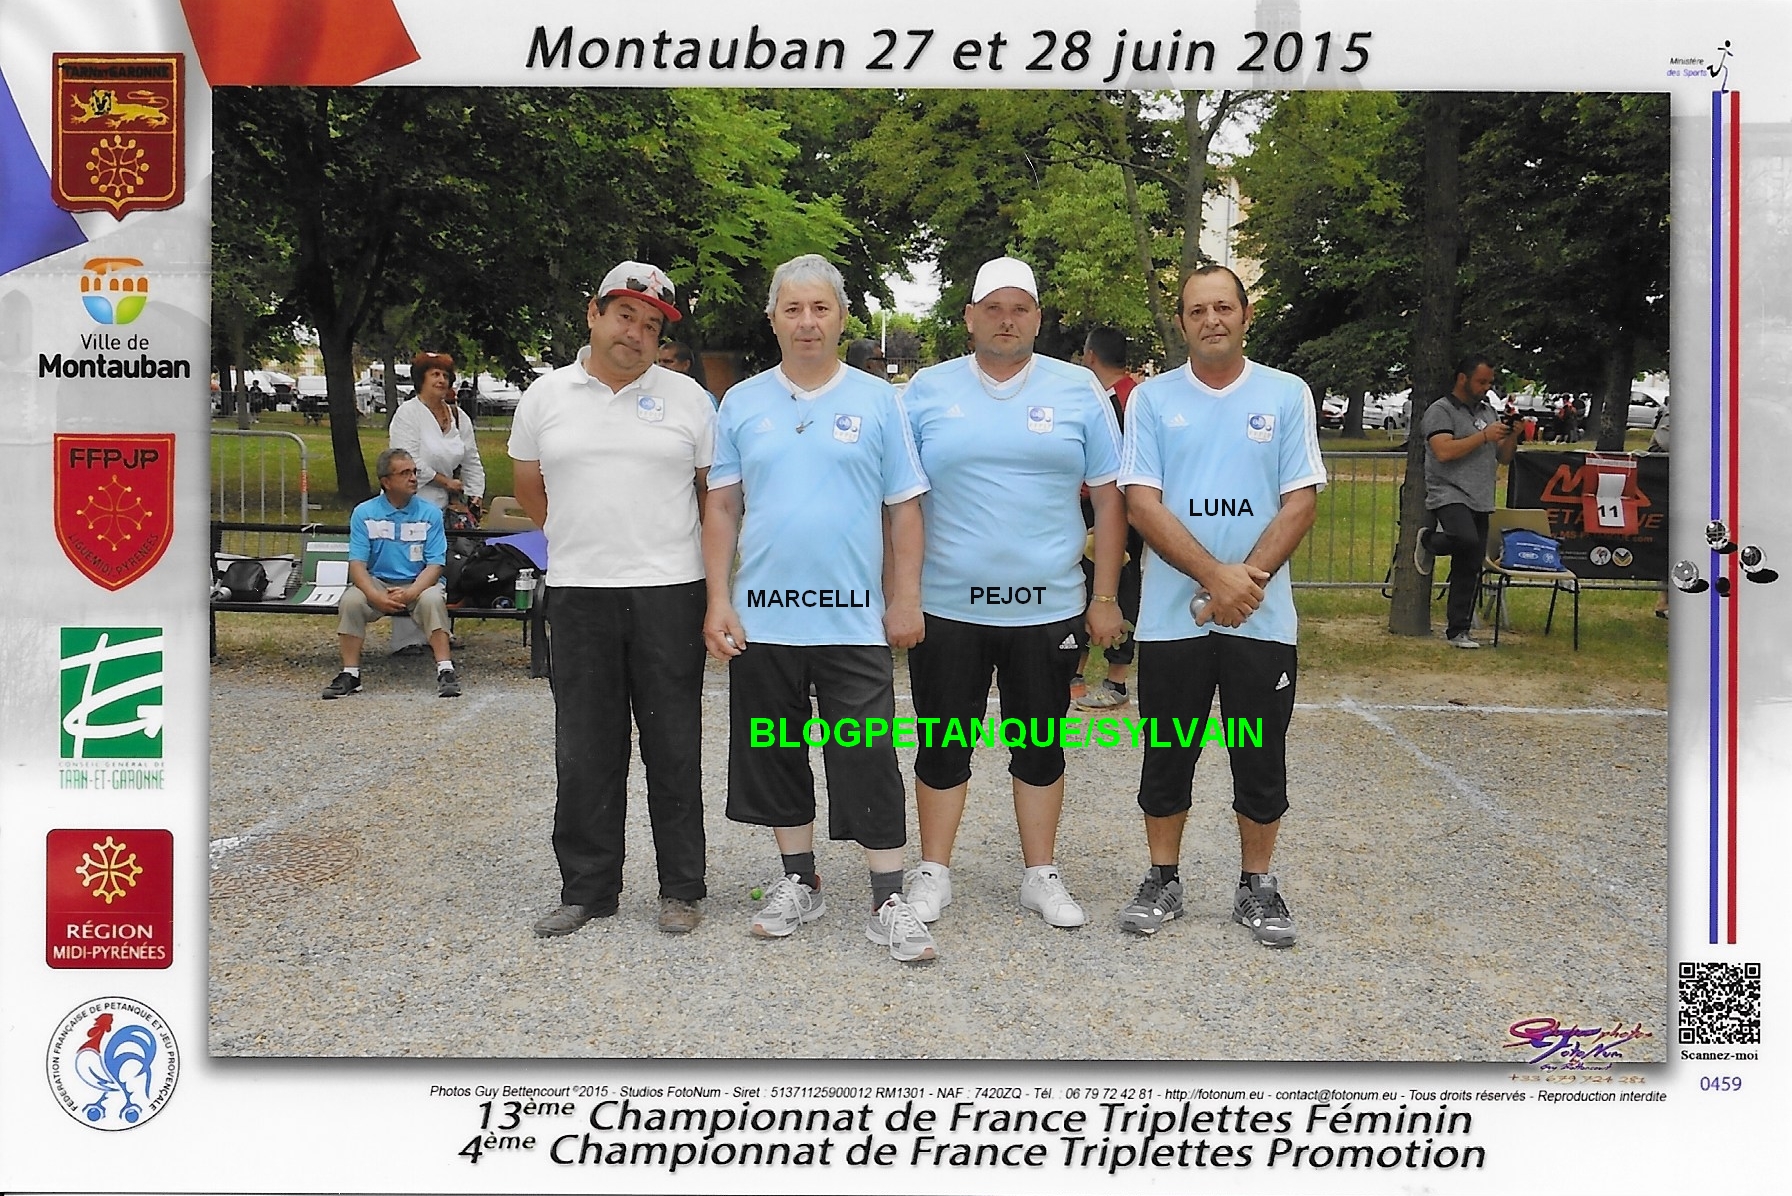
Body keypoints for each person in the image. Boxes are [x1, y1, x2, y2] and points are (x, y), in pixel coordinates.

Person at [702, 254, 935, 963]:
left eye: (821, 308)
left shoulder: (877, 402)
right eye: (793, 309)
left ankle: (888, 898)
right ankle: (798, 882)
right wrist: (719, 599)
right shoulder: (741, 403)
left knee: (867, 755)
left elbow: (904, 512)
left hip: (852, 620)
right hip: (765, 619)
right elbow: (722, 508)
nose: (807, 322)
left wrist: (905, 598)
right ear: (773, 318)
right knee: (774, 752)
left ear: (841, 317)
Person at [898, 256, 1127, 932]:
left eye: (1019, 308)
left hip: (1048, 606)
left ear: (1037, 317)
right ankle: (934, 871)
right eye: (992, 307)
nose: (1006, 319)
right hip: (947, 605)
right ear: (968, 318)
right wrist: (901, 593)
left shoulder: (1079, 390)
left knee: (1039, 744)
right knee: (943, 743)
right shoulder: (926, 391)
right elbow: (899, 502)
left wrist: (1105, 595)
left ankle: (1040, 873)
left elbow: (1110, 501)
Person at [1115, 264, 1325, 948]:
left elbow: (1301, 500)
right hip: (1174, 619)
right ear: (1181, 322)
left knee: (1258, 754)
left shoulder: (1286, 394)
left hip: (1262, 619)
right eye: (1197, 310)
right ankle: (1163, 878)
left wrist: (1247, 582)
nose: (1212, 319)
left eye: (1223, 307)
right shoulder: (1151, 399)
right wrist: (1215, 577)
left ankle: (1257, 885)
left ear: (1246, 314)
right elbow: (1141, 503)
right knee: (1167, 753)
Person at [509, 262, 716, 937]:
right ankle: (588, 889)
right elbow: (532, 490)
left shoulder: (688, 398)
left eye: (653, 325)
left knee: (674, 746)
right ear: (593, 313)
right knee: (586, 749)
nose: (638, 332)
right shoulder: (545, 397)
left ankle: (681, 888)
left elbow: (715, 496)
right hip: (580, 593)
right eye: (626, 315)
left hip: (669, 591)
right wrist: (580, 540)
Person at [321, 447, 461, 700]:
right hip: (379, 581)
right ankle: (350, 674)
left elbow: (435, 565)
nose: (413, 478)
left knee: (432, 599)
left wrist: (411, 593)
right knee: (351, 601)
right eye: (404, 473)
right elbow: (357, 565)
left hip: (420, 582)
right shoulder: (364, 513)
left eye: (414, 472)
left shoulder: (430, 513)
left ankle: (445, 670)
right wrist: (375, 596)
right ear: (386, 481)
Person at [1412, 354, 1517, 649]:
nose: (1486, 387)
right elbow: (1443, 451)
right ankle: (1430, 542)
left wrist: (1511, 436)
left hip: (1481, 496)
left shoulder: (1489, 412)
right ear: (1462, 379)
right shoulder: (1441, 411)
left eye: (1489, 382)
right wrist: (1483, 436)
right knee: (1464, 538)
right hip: (1449, 491)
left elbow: (1504, 457)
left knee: (1470, 565)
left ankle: (1458, 630)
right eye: (1481, 381)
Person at [1073, 326, 1143, 711]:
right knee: (1084, 584)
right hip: (1096, 507)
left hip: (1116, 508)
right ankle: (1077, 671)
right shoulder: (1121, 396)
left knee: (1119, 587)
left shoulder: (1124, 400)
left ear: (1090, 356)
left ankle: (1116, 680)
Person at [388, 351, 486, 526]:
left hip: (447, 511)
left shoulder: (458, 416)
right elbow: (407, 461)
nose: (441, 380)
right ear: (421, 379)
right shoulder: (407, 413)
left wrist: (476, 494)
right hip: (409, 507)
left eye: (445, 375)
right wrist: (446, 482)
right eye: (435, 374)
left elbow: (471, 459)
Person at [656, 340, 718, 406]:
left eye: (668, 361)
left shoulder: (702, 397)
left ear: (686, 365)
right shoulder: (653, 393)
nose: (660, 366)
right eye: (659, 361)